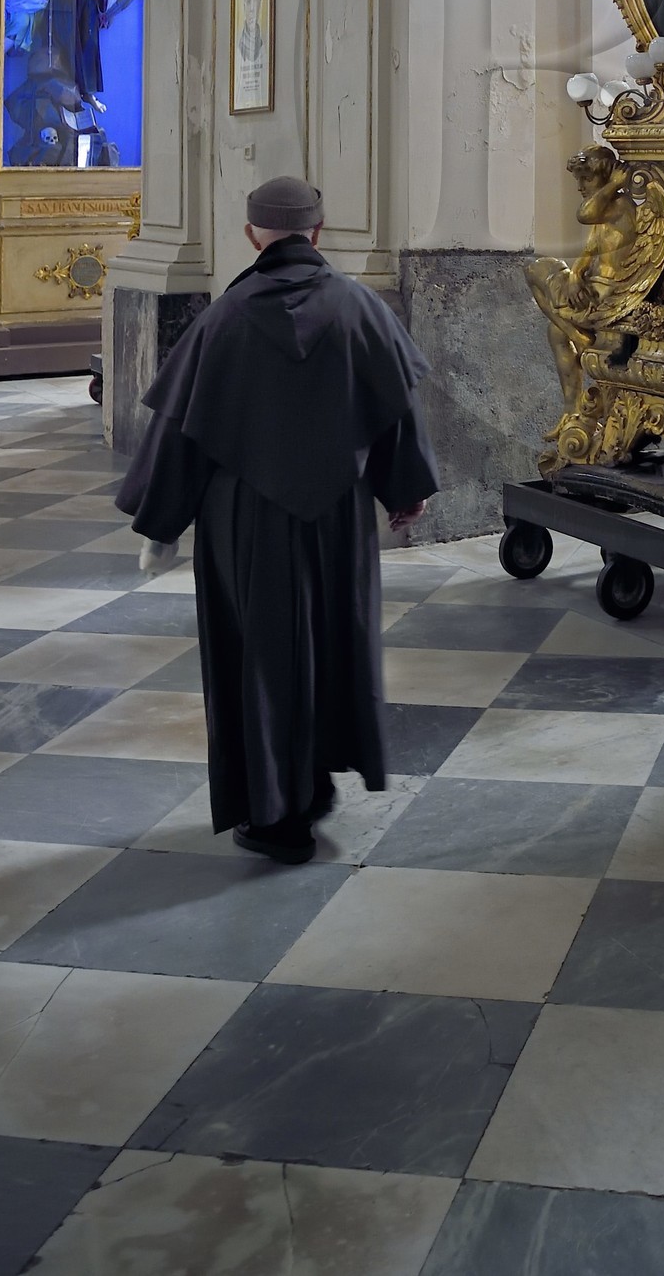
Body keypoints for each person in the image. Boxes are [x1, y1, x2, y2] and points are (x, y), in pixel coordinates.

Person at [116, 175, 439, 865]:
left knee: (258, 658)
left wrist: (161, 525)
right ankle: (313, 787)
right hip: (337, 517)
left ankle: (274, 812)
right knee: (331, 643)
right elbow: (396, 407)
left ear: (251, 235)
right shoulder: (359, 307)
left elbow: (179, 431)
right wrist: (404, 488)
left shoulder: (223, 319)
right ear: (317, 232)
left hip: (243, 521)